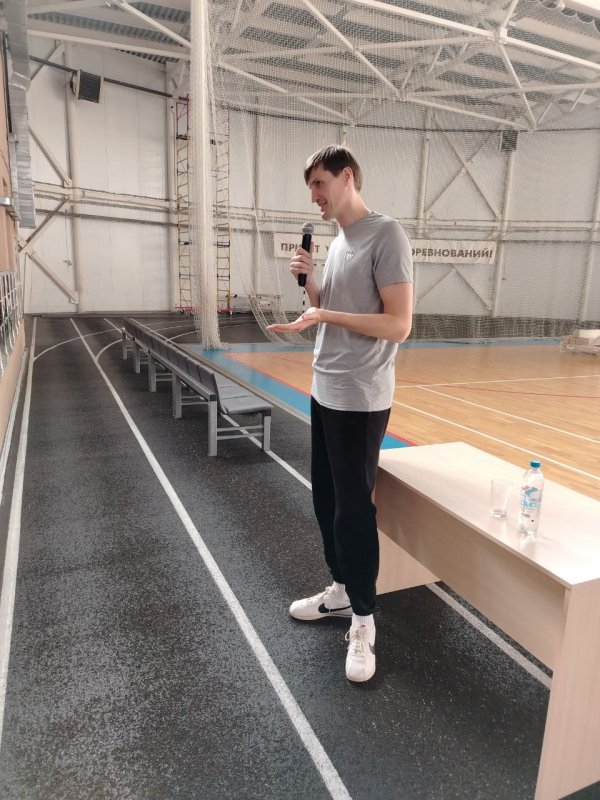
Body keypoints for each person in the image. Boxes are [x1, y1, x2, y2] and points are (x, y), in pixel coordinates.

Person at [268, 145, 413, 682]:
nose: (314, 196)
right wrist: (311, 281)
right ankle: (341, 590)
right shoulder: (340, 241)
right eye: (311, 188)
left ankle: (365, 621)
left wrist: (325, 311)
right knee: (325, 499)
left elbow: (398, 324)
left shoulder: (386, 235)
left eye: (319, 184)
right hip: (325, 387)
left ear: (347, 176)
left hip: (360, 397)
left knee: (353, 510)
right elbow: (326, 307)